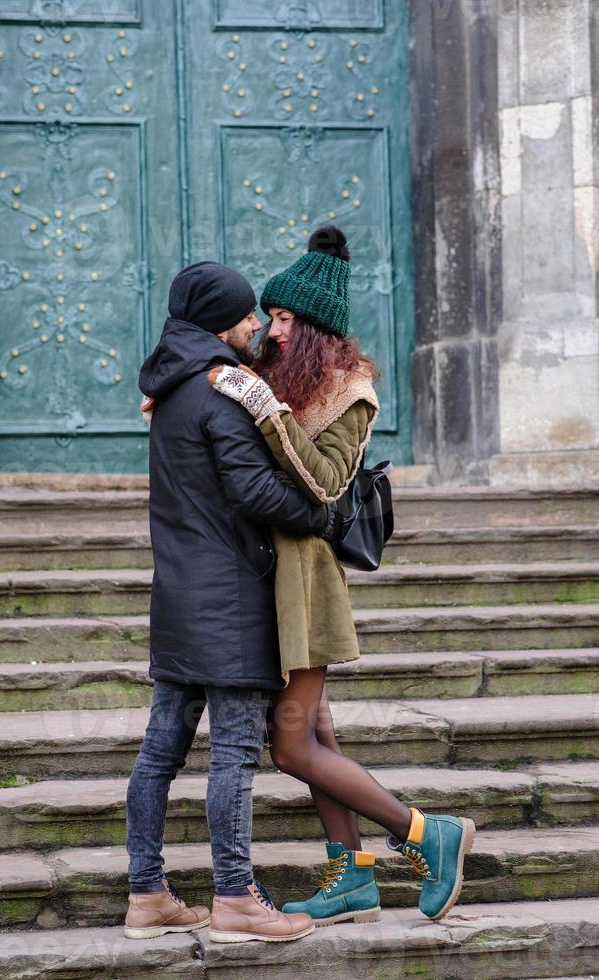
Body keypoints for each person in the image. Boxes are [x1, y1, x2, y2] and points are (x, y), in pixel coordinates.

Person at [208, 226, 476, 927]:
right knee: (315, 735)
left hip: (305, 584)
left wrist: (265, 411)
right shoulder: (272, 372)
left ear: (318, 326)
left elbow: (326, 483)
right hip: (260, 576)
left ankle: (425, 832)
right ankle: (351, 874)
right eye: (271, 316)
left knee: (292, 744)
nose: (274, 328)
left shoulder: (349, 393)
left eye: (288, 318)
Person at [125, 260, 331, 945]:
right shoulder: (221, 391)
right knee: (235, 757)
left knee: (159, 753)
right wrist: (322, 514)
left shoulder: (169, 386)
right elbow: (253, 491)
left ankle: (147, 895)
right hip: (230, 605)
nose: (255, 326)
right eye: (247, 315)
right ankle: (237, 898)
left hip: (180, 600)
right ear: (220, 320)